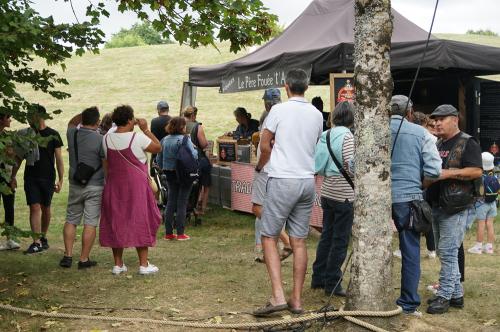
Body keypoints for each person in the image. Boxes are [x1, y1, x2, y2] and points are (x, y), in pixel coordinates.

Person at [253, 69, 323, 316]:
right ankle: (296, 300)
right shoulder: (316, 114)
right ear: (306, 87)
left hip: (283, 178)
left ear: (286, 87)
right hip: (306, 180)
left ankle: (277, 296)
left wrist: (261, 165)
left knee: (268, 235)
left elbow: (264, 145)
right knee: (299, 241)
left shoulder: (278, 111)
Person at [426, 104, 482, 314]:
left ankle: (444, 296)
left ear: (455, 119)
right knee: (443, 251)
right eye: (435, 119)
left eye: (442, 119)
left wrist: (446, 173)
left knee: (448, 252)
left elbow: (477, 171)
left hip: (457, 206)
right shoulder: (438, 142)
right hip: (437, 204)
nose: (437, 123)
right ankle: (457, 295)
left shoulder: (467, 142)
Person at [389, 95, 442, 316]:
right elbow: (434, 170)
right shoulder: (422, 134)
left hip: (375, 199)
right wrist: (418, 183)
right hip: (408, 197)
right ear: (410, 113)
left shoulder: (372, 130)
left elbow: (354, 164)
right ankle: (408, 303)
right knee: (410, 250)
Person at [99, 105, 162, 275]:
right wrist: (146, 129)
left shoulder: (106, 139)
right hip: (136, 187)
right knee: (141, 219)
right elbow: (158, 147)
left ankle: (118, 264)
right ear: (129, 120)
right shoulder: (138, 138)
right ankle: (143, 265)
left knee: (116, 221)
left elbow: (106, 164)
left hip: (114, 185)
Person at [311, 101, 356, 297]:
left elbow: (317, 163)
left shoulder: (325, 135)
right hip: (344, 193)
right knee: (340, 239)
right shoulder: (348, 137)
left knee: (326, 236)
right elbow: (350, 165)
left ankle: (318, 277)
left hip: (327, 189)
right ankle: (333, 282)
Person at [12, 105, 64, 254]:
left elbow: (59, 159)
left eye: (31, 116)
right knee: (34, 207)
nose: (28, 120)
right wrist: (13, 176)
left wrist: (60, 180)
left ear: (40, 117)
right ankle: (36, 242)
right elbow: (19, 158)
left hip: (48, 176)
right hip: (31, 177)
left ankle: (43, 237)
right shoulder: (26, 135)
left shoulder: (53, 134)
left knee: (45, 208)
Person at [59, 107, 105, 269]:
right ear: (97, 122)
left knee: (71, 219)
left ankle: (68, 255)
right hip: (95, 184)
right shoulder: (101, 139)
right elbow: (105, 163)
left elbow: (72, 122)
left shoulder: (72, 134)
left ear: (83, 120)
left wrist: (84, 115)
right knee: (90, 222)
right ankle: (84, 259)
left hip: (75, 182)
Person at [252, 88, 293, 263]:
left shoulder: (270, 118)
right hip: (282, 169)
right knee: (275, 210)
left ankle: (287, 241)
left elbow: (266, 147)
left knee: (258, 208)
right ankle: (269, 250)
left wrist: (259, 167)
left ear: (267, 103)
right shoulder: (288, 116)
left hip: (268, 169)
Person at [156, 116, 197, 241]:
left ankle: (168, 232)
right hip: (183, 173)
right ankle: (180, 233)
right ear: (181, 127)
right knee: (182, 202)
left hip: (169, 173)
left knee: (170, 202)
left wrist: (164, 168)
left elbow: (158, 158)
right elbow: (194, 155)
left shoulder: (164, 140)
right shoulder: (185, 139)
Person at [412, 111, 437, 259]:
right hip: (428, 181)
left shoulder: (419, 137)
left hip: (418, 181)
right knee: (427, 216)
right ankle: (432, 249)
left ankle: (408, 249)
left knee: (415, 215)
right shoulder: (433, 139)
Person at [468, 152, 499, 255]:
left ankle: (478, 247)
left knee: (481, 224)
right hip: (493, 203)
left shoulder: (480, 176)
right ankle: (489, 247)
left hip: (482, 204)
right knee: (490, 224)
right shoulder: (494, 175)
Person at [183, 106, 211, 215]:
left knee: (192, 184)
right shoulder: (197, 126)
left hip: (185, 160)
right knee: (205, 184)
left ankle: (191, 205)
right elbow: (203, 144)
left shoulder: (180, 125)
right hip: (199, 158)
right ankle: (202, 208)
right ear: (193, 115)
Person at [0, 112, 20, 251]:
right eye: (8, 117)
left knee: (9, 207)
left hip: (6, 176)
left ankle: (10, 239)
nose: (10, 120)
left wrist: (12, 177)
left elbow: (12, 158)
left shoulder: (7, 136)